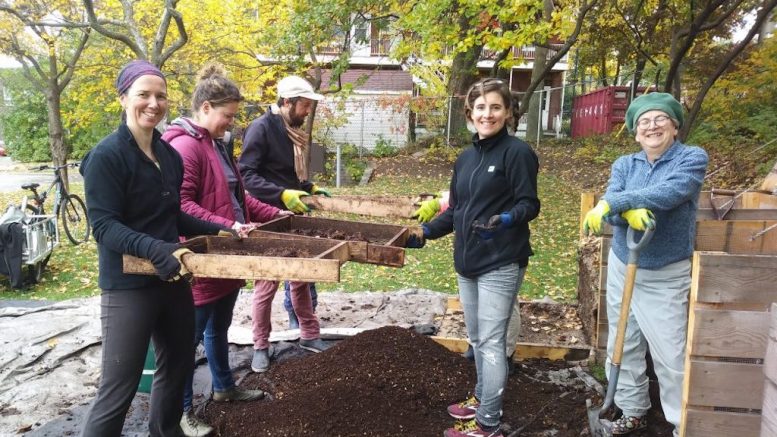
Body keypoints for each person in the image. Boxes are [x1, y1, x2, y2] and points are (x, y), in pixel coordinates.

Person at [79, 60, 233, 437]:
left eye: (160, 96)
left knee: (178, 365)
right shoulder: (107, 157)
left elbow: (174, 214)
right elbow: (105, 227)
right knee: (120, 388)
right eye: (143, 94)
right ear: (123, 98)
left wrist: (223, 229)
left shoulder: (168, 156)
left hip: (172, 280)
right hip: (129, 287)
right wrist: (157, 249)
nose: (153, 103)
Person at [162, 63, 293, 437]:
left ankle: (223, 388)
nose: (231, 124)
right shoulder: (186, 146)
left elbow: (238, 199)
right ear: (205, 108)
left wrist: (277, 214)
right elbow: (181, 206)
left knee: (219, 329)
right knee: (188, 342)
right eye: (227, 116)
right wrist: (226, 227)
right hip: (202, 257)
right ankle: (181, 412)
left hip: (227, 257)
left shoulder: (215, 145)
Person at [406, 77, 540, 437]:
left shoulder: (517, 152)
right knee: (479, 339)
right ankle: (483, 398)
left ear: (509, 112)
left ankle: (488, 424)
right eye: (481, 107)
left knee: (493, 342)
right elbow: (457, 210)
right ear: (470, 113)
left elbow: (530, 203)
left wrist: (508, 218)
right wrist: (426, 231)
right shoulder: (465, 158)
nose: (488, 114)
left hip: (501, 259)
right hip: (467, 262)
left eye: (496, 107)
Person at [582, 92, 708, 436]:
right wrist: (624, 212)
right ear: (635, 133)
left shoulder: (691, 159)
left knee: (670, 355)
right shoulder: (625, 164)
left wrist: (616, 204)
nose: (652, 126)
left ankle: (683, 424)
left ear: (675, 126)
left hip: (666, 272)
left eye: (660, 119)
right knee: (623, 344)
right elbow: (618, 217)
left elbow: (671, 193)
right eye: (643, 122)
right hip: (625, 265)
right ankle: (632, 409)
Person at [238, 75, 332, 373]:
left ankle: (309, 335)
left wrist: (307, 186)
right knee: (267, 284)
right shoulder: (261, 129)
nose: (307, 112)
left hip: (294, 216)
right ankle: (260, 346)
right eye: (304, 105)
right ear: (287, 102)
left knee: (301, 278)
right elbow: (246, 176)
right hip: (267, 217)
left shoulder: (290, 130)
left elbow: (285, 174)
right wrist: (281, 194)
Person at [413, 192, 522, 366]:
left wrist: (506, 219)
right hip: (469, 247)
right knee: (473, 302)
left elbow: (490, 191)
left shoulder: (511, 164)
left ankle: (505, 354)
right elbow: (463, 195)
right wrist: (436, 208)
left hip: (500, 248)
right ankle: (475, 347)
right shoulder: (466, 164)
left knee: (505, 305)